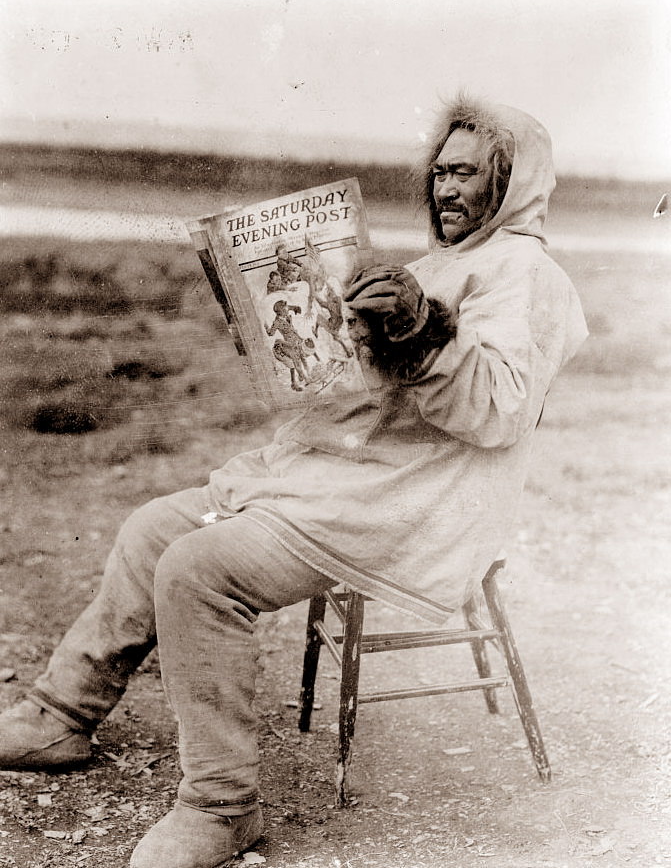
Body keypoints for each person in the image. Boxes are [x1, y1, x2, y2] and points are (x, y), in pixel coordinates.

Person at [0, 93, 588, 868]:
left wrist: (420, 330)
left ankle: (220, 806)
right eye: (440, 172)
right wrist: (279, 332)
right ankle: (60, 714)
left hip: (411, 501)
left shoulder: (527, 274)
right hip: (346, 477)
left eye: (467, 174)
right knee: (152, 530)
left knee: (198, 569)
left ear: (511, 184)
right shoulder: (437, 264)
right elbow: (359, 387)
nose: (446, 188)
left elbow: (498, 411)